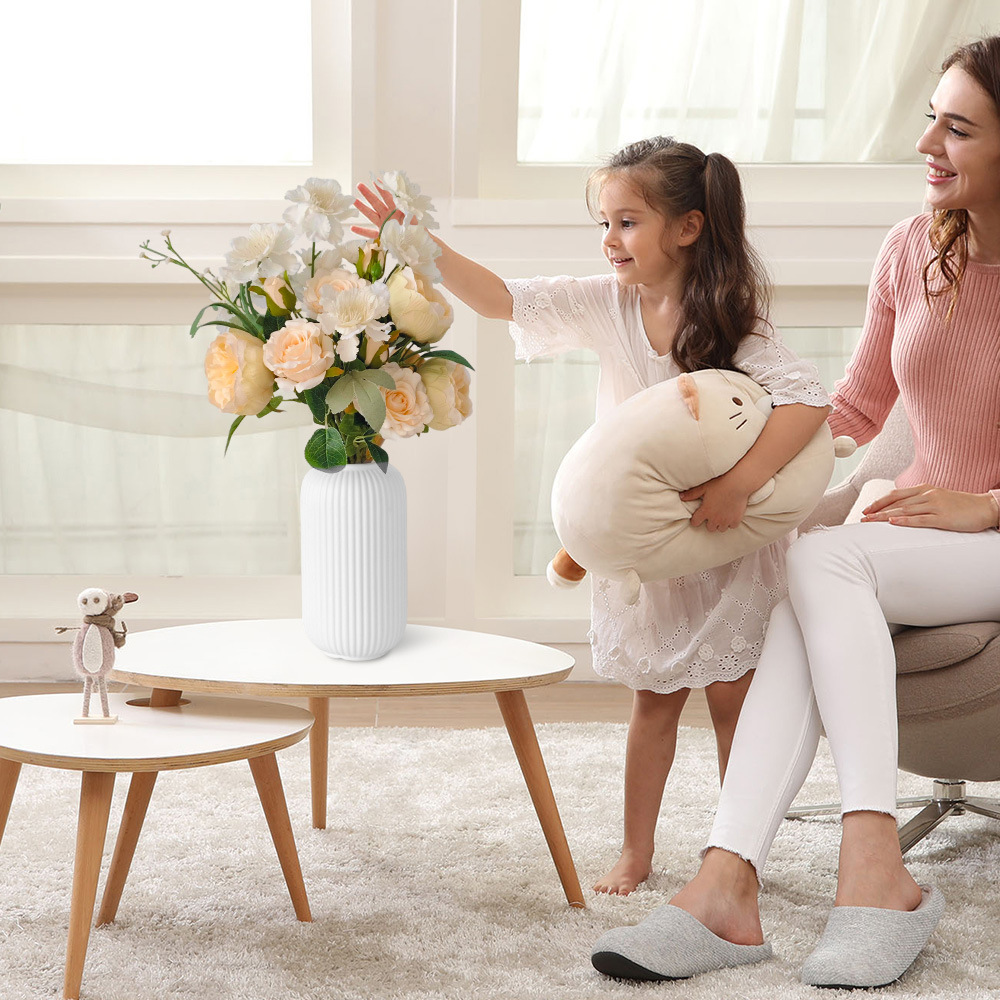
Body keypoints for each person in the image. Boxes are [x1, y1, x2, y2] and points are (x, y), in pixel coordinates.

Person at [590, 35, 1000, 989]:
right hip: (917, 531)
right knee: (804, 573)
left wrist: (982, 505)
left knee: (827, 562)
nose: (929, 140)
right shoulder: (913, 249)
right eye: (931, 116)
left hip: (982, 531)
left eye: (960, 126)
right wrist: (732, 464)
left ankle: (841, 873)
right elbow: (853, 407)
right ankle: (734, 888)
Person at [356, 136, 832, 895]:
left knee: (734, 704)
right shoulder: (608, 304)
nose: (610, 240)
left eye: (627, 222)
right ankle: (636, 851)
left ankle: (738, 851)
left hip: (722, 546)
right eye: (603, 224)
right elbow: (504, 300)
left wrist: (739, 484)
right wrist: (418, 246)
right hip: (649, 547)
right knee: (652, 704)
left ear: (688, 227)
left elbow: (809, 401)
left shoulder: (731, 321)